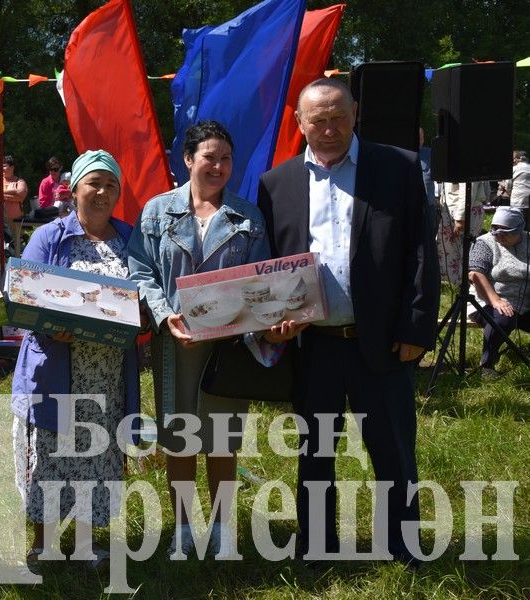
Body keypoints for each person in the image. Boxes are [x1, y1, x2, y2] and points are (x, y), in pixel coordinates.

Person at [257, 78, 439, 566]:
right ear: (300, 124)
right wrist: (274, 320)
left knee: (394, 450)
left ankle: (400, 545)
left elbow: (422, 253)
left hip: (380, 341)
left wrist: (415, 328)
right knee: (315, 453)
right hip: (313, 344)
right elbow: (270, 263)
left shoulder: (396, 168)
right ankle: (317, 546)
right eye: (318, 119)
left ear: (355, 113)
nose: (330, 128)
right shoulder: (277, 184)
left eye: (338, 116)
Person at [129, 121, 302, 558]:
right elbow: (141, 270)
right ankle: (184, 528)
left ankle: (223, 530)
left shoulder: (247, 217)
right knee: (178, 439)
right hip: (176, 345)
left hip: (229, 348)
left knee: (223, 441)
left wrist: (267, 319)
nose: (218, 166)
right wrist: (165, 314)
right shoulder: (156, 212)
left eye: (226, 159)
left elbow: (260, 278)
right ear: (188, 159)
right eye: (209, 157)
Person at [12, 150, 140, 569]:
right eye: (93, 183)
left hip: (108, 374)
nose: (102, 192)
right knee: (51, 455)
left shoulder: (129, 238)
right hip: (57, 368)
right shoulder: (50, 236)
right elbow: (23, 292)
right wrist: (49, 326)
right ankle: (43, 544)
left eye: (110, 185)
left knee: (96, 455)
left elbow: (143, 294)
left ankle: (85, 543)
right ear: (76, 189)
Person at [468, 207, 530, 377]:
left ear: (519, 230)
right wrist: (496, 301)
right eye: (496, 231)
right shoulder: (485, 242)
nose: (499, 236)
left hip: (524, 302)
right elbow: (476, 274)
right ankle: (487, 366)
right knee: (503, 319)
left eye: (505, 233)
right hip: (486, 300)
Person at [437, 180, 486, 286]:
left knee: (464, 250)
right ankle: (457, 282)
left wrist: (460, 218)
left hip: (462, 211)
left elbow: (468, 191)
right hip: (455, 210)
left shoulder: (465, 164)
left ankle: (466, 282)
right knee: (455, 250)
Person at [0, 155, 28, 254]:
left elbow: (21, 196)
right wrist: (12, 191)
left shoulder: (19, 181)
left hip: (16, 220)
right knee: (1, 247)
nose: (1, 168)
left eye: (4, 166)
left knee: (16, 245)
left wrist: (3, 193)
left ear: (12, 167)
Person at [508, 150, 530, 227]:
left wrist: (509, 192)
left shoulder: (514, 169)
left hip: (518, 198)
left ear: (518, 159)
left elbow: (508, 184)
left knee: (517, 221)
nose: (514, 160)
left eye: (514, 159)